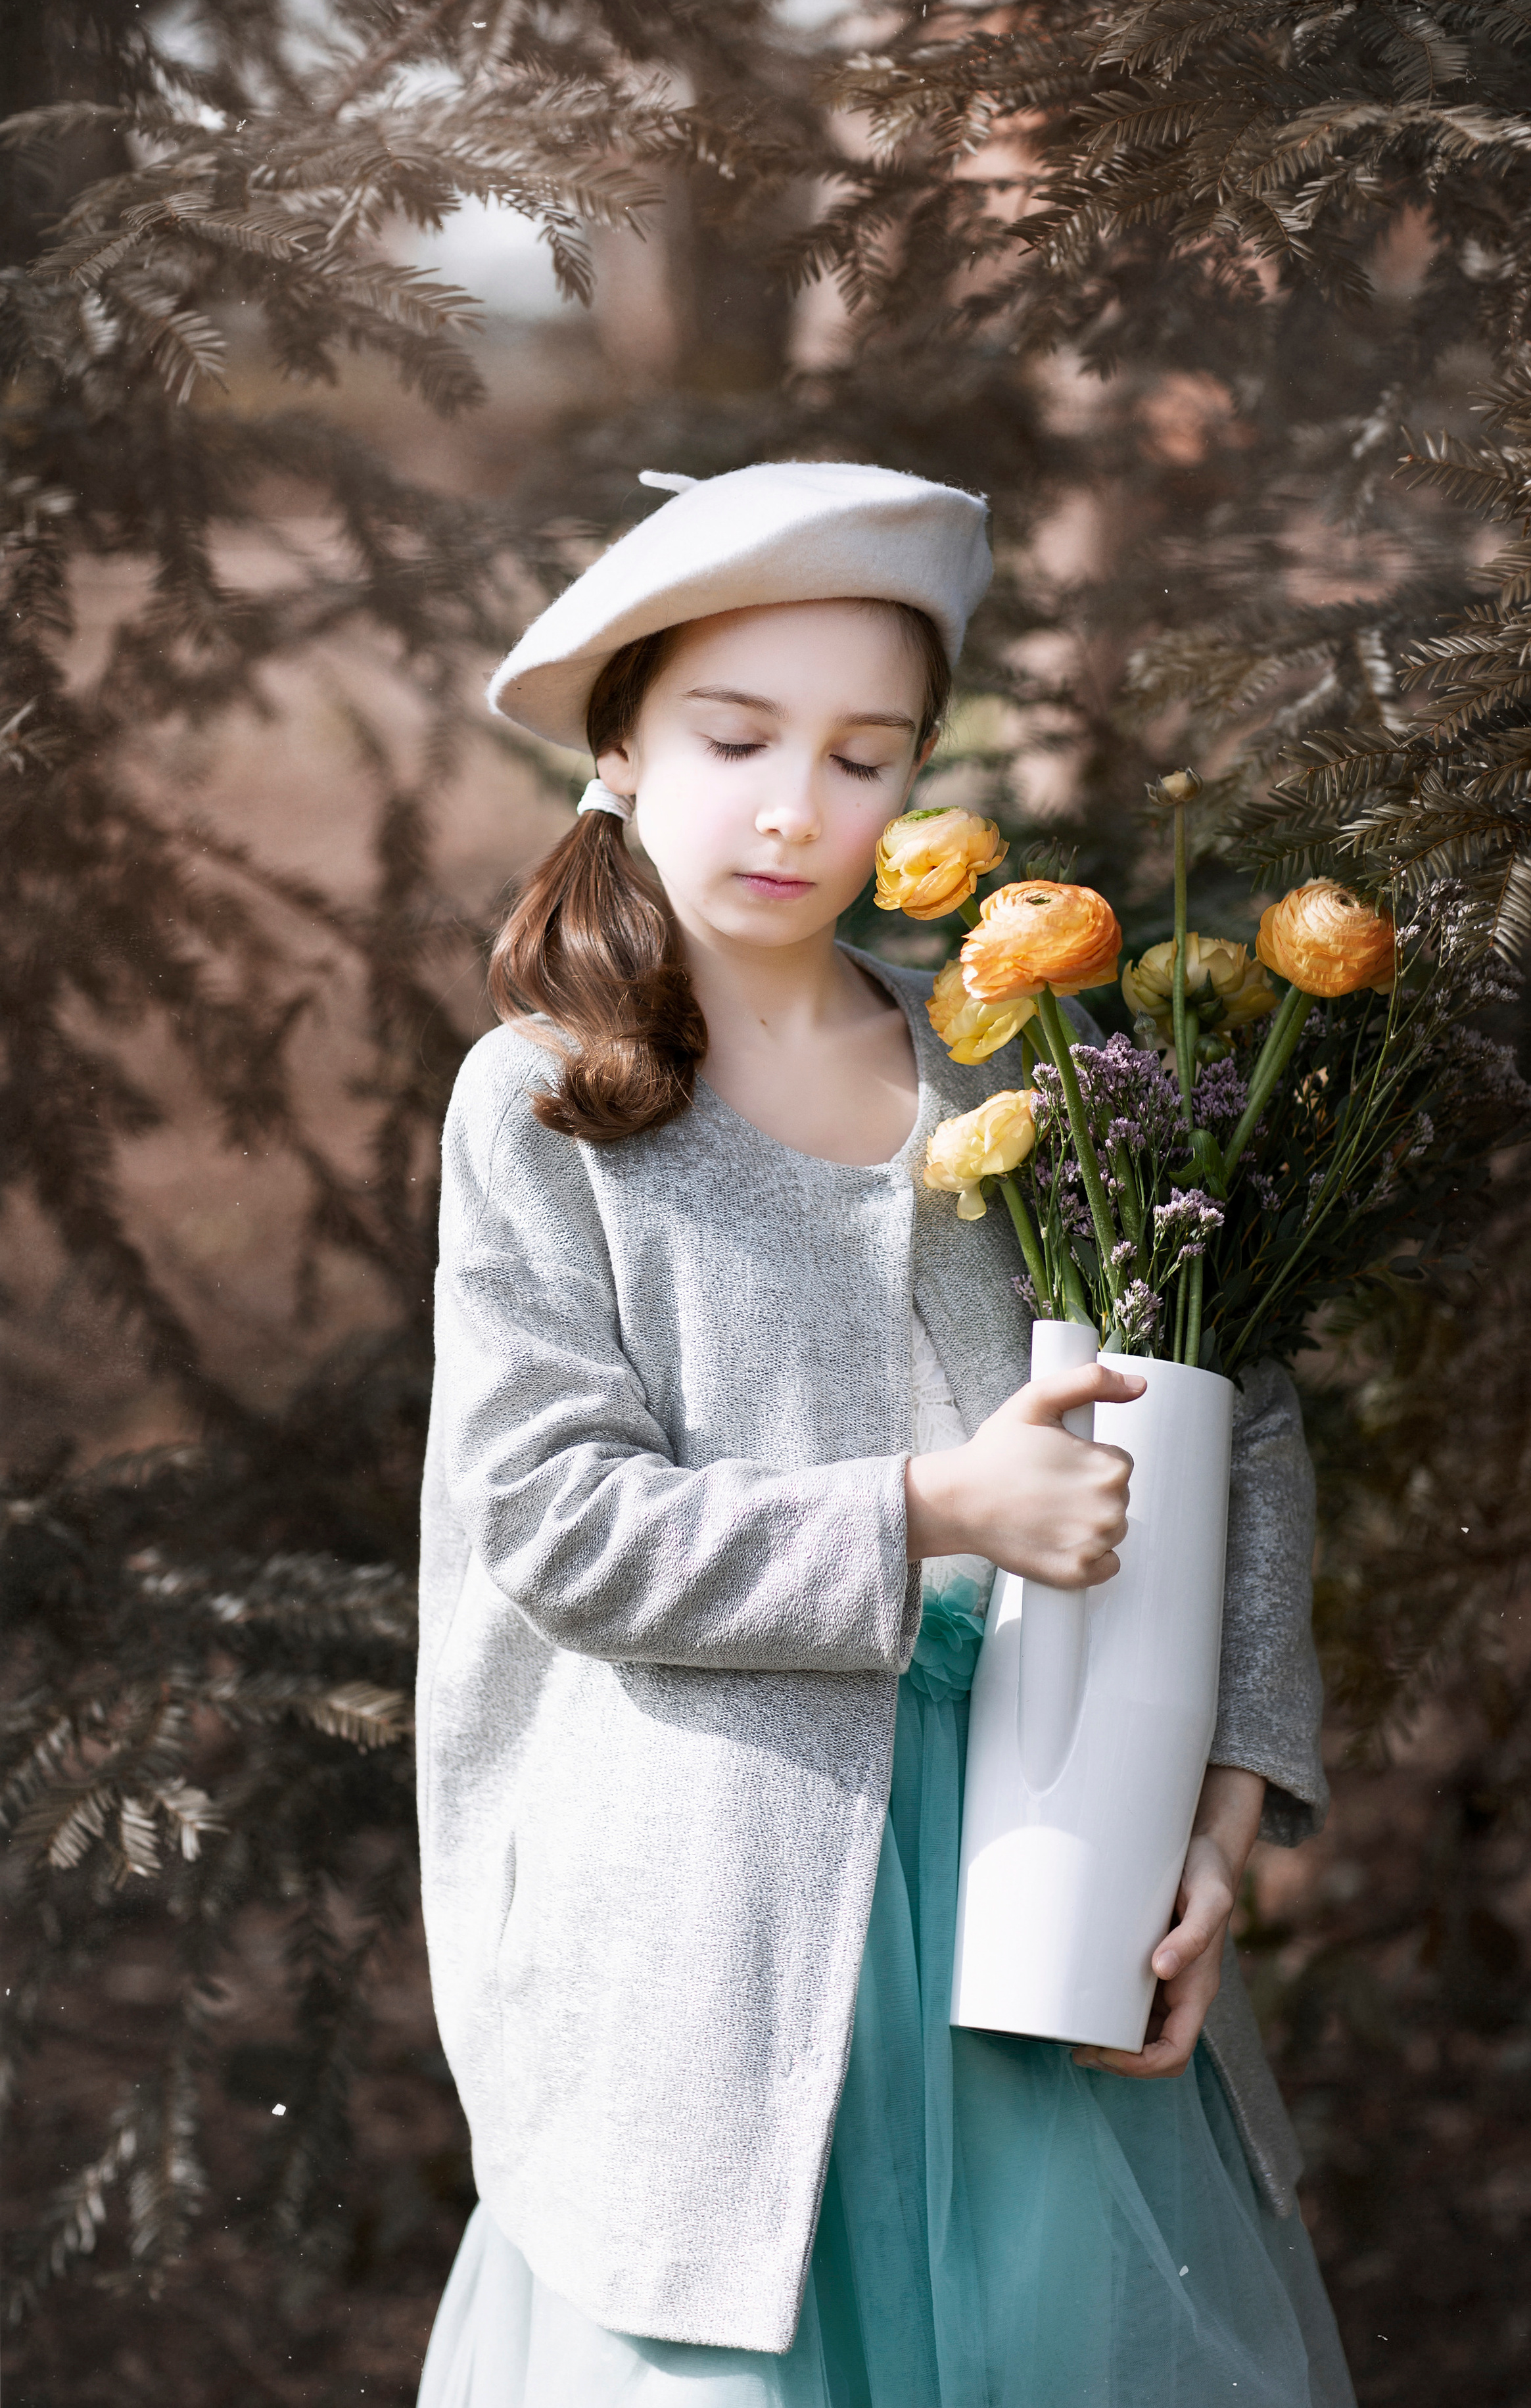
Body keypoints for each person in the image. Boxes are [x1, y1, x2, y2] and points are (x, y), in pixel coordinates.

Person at [415, 463, 1356, 2407]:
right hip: (709, 1920)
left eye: (864, 759)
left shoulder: (1010, 1070)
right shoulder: (547, 1109)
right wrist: (939, 1504)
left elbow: (1228, 1402)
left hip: (1042, 1859)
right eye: (735, 736)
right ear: (620, 743)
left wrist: (1230, 1795)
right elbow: (555, 1520)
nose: (794, 810)